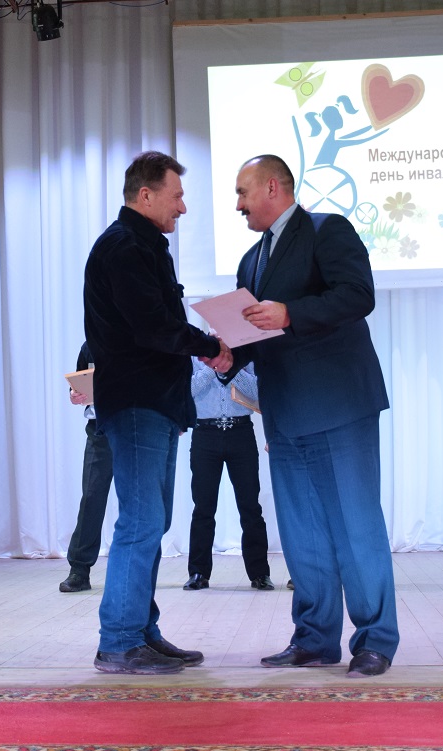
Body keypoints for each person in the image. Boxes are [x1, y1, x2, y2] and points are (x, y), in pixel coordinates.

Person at [226, 154, 396, 678]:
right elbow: (257, 333)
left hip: (338, 404)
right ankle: (315, 638)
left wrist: (291, 312)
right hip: (284, 411)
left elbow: (358, 295)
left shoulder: (326, 229)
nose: (238, 205)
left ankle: (374, 641)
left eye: (243, 193)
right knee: (302, 534)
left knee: (356, 526)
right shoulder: (250, 260)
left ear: (272, 187)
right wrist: (228, 353)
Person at [82, 150, 232, 675]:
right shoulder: (124, 247)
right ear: (145, 195)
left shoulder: (143, 246)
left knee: (152, 519)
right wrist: (209, 345)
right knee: (142, 520)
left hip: (155, 403)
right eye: (177, 196)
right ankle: (119, 642)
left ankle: (141, 632)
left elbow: (155, 323)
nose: (183, 208)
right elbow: (151, 326)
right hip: (138, 402)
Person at [183, 360, 274, 591]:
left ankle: (260, 573)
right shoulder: (195, 354)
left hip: (241, 431)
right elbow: (187, 390)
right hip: (205, 432)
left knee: (250, 506)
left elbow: (257, 392)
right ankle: (198, 572)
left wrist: (231, 366)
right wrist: (212, 364)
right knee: (203, 507)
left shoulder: (245, 353)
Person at [59, 341, 113, 593]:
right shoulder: (90, 345)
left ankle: (140, 568)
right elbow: (79, 383)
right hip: (100, 429)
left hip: (136, 428)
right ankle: (79, 569)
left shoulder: (140, 336)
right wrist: (74, 394)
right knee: (92, 496)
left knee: (141, 500)